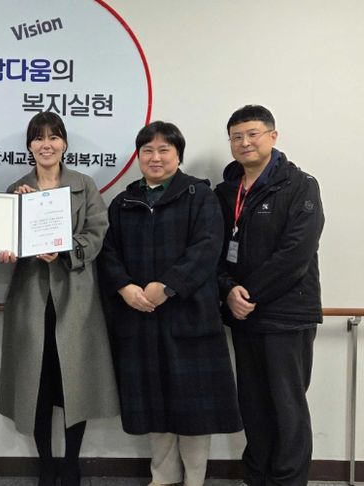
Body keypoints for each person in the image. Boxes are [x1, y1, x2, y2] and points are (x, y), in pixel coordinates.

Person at [99, 121, 243, 486]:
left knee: (195, 409)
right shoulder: (123, 202)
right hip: (140, 318)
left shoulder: (199, 196)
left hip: (190, 317)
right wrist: (124, 287)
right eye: (147, 150)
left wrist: (168, 286)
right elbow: (108, 253)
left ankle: (194, 479)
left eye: (164, 150)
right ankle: (162, 476)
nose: (155, 157)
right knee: (152, 403)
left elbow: (207, 249)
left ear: (178, 155)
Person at [0, 111, 119, 486]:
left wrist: (64, 249)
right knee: (36, 385)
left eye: (53, 137)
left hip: (76, 301)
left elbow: (97, 233)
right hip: (31, 300)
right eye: (38, 138)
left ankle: (71, 464)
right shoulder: (17, 190)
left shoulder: (84, 185)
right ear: (29, 146)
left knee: (74, 385)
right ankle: (47, 465)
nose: (46, 144)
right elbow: (4, 239)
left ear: (65, 143)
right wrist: (7, 247)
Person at [215, 105, 324, 486]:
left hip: (287, 315)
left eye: (253, 134)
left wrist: (249, 294)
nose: (244, 142)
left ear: (272, 137)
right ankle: (257, 477)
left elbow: (296, 252)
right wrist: (228, 291)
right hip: (244, 316)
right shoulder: (226, 192)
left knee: (287, 406)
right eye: (237, 136)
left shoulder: (300, 185)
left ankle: (289, 481)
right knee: (254, 405)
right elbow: (214, 251)